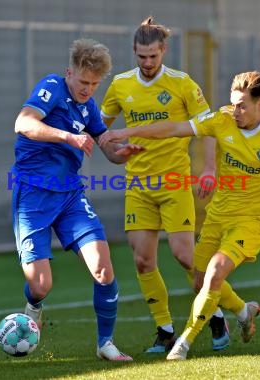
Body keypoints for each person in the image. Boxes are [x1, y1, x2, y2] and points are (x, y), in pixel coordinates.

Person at [99, 71, 260, 360]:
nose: (235, 111)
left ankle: (182, 344)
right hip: (217, 216)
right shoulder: (222, 119)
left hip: (250, 223)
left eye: (242, 106)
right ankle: (243, 310)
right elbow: (174, 128)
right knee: (200, 283)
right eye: (233, 103)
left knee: (214, 272)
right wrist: (125, 132)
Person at [100, 15, 229, 353]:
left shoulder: (182, 83)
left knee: (185, 256)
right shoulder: (121, 86)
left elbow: (209, 126)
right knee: (143, 261)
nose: (146, 63)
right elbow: (101, 131)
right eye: (141, 57)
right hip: (138, 184)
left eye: (153, 56)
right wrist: (115, 150)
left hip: (174, 182)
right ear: (134, 52)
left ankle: (214, 312)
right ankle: (165, 329)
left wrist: (210, 167)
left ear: (164, 51)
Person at [11, 38, 144, 361]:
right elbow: (23, 123)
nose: (88, 89)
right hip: (33, 193)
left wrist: (121, 153)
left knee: (103, 267)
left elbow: (106, 147)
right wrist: (67, 136)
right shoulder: (52, 87)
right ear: (70, 72)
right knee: (41, 285)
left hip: (70, 195)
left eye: (95, 84)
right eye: (83, 82)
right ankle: (34, 306)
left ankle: (105, 344)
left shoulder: (89, 107)